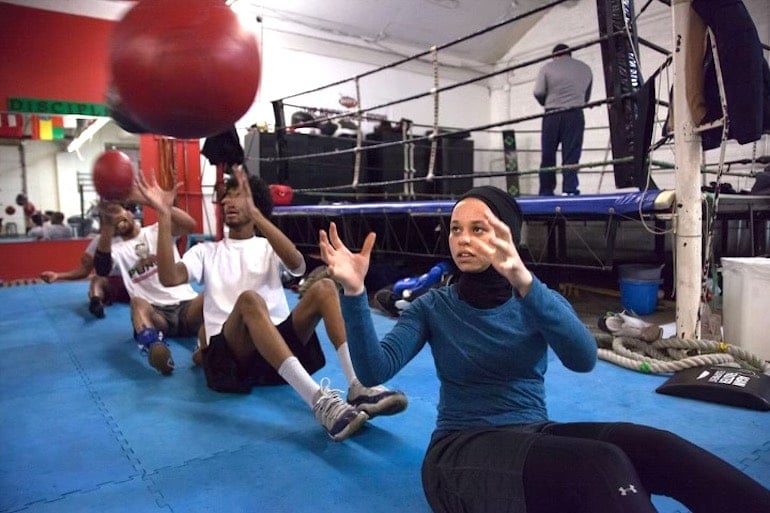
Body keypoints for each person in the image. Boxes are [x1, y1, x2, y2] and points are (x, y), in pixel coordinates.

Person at [318, 185, 770, 512]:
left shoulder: (534, 297)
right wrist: (354, 293)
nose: (463, 239)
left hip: (533, 434)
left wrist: (524, 280)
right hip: (459, 454)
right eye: (456, 229)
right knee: (600, 465)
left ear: (508, 236)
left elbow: (583, 358)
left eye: (479, 228)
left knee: (656, 446)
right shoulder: (433, 306)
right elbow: (374, 369)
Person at [139, 167, 407, 442]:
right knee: (250, 300)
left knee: (325, 287)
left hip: (275, 354)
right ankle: (319, 401)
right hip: (230, 359)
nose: (229, 201)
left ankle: (358, 384)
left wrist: (257, 216)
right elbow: (169, 277)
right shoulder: (206, 252)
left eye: (238, 195)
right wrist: (163, 214)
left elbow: (298, 265)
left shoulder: (269, 247)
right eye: (226, 197)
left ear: (255, 202)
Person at [93, 186, 202, 376]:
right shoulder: (117, 250)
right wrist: (107, 226)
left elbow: (190, 225)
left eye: (119, 212)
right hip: (158, 315)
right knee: (137, 303)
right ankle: (155, 347)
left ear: (129, 211)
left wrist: (151, 201)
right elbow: (101, 269)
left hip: (188, 307)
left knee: (211, 295)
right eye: (112, 218)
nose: (117, 218)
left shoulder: (157, 230)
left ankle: (205, 345)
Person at [533, 43, 592, 196]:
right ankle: (570, 190)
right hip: (575, 114)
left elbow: (538, 91)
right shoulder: (586, 69)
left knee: (548, 154)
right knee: (572, 155)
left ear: (554, 55)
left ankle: (546, 191)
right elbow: (586, 98)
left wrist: (547, 103)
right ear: (570, 54)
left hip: (552, 113)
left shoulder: (547, 67)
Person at [40, 233, 130, 319]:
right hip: (110, 284)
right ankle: (96, 302)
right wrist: (58, 275)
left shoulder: (135, 238)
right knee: (97, 279)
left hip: (132, 282)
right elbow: (84, 271)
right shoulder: (99, 240)